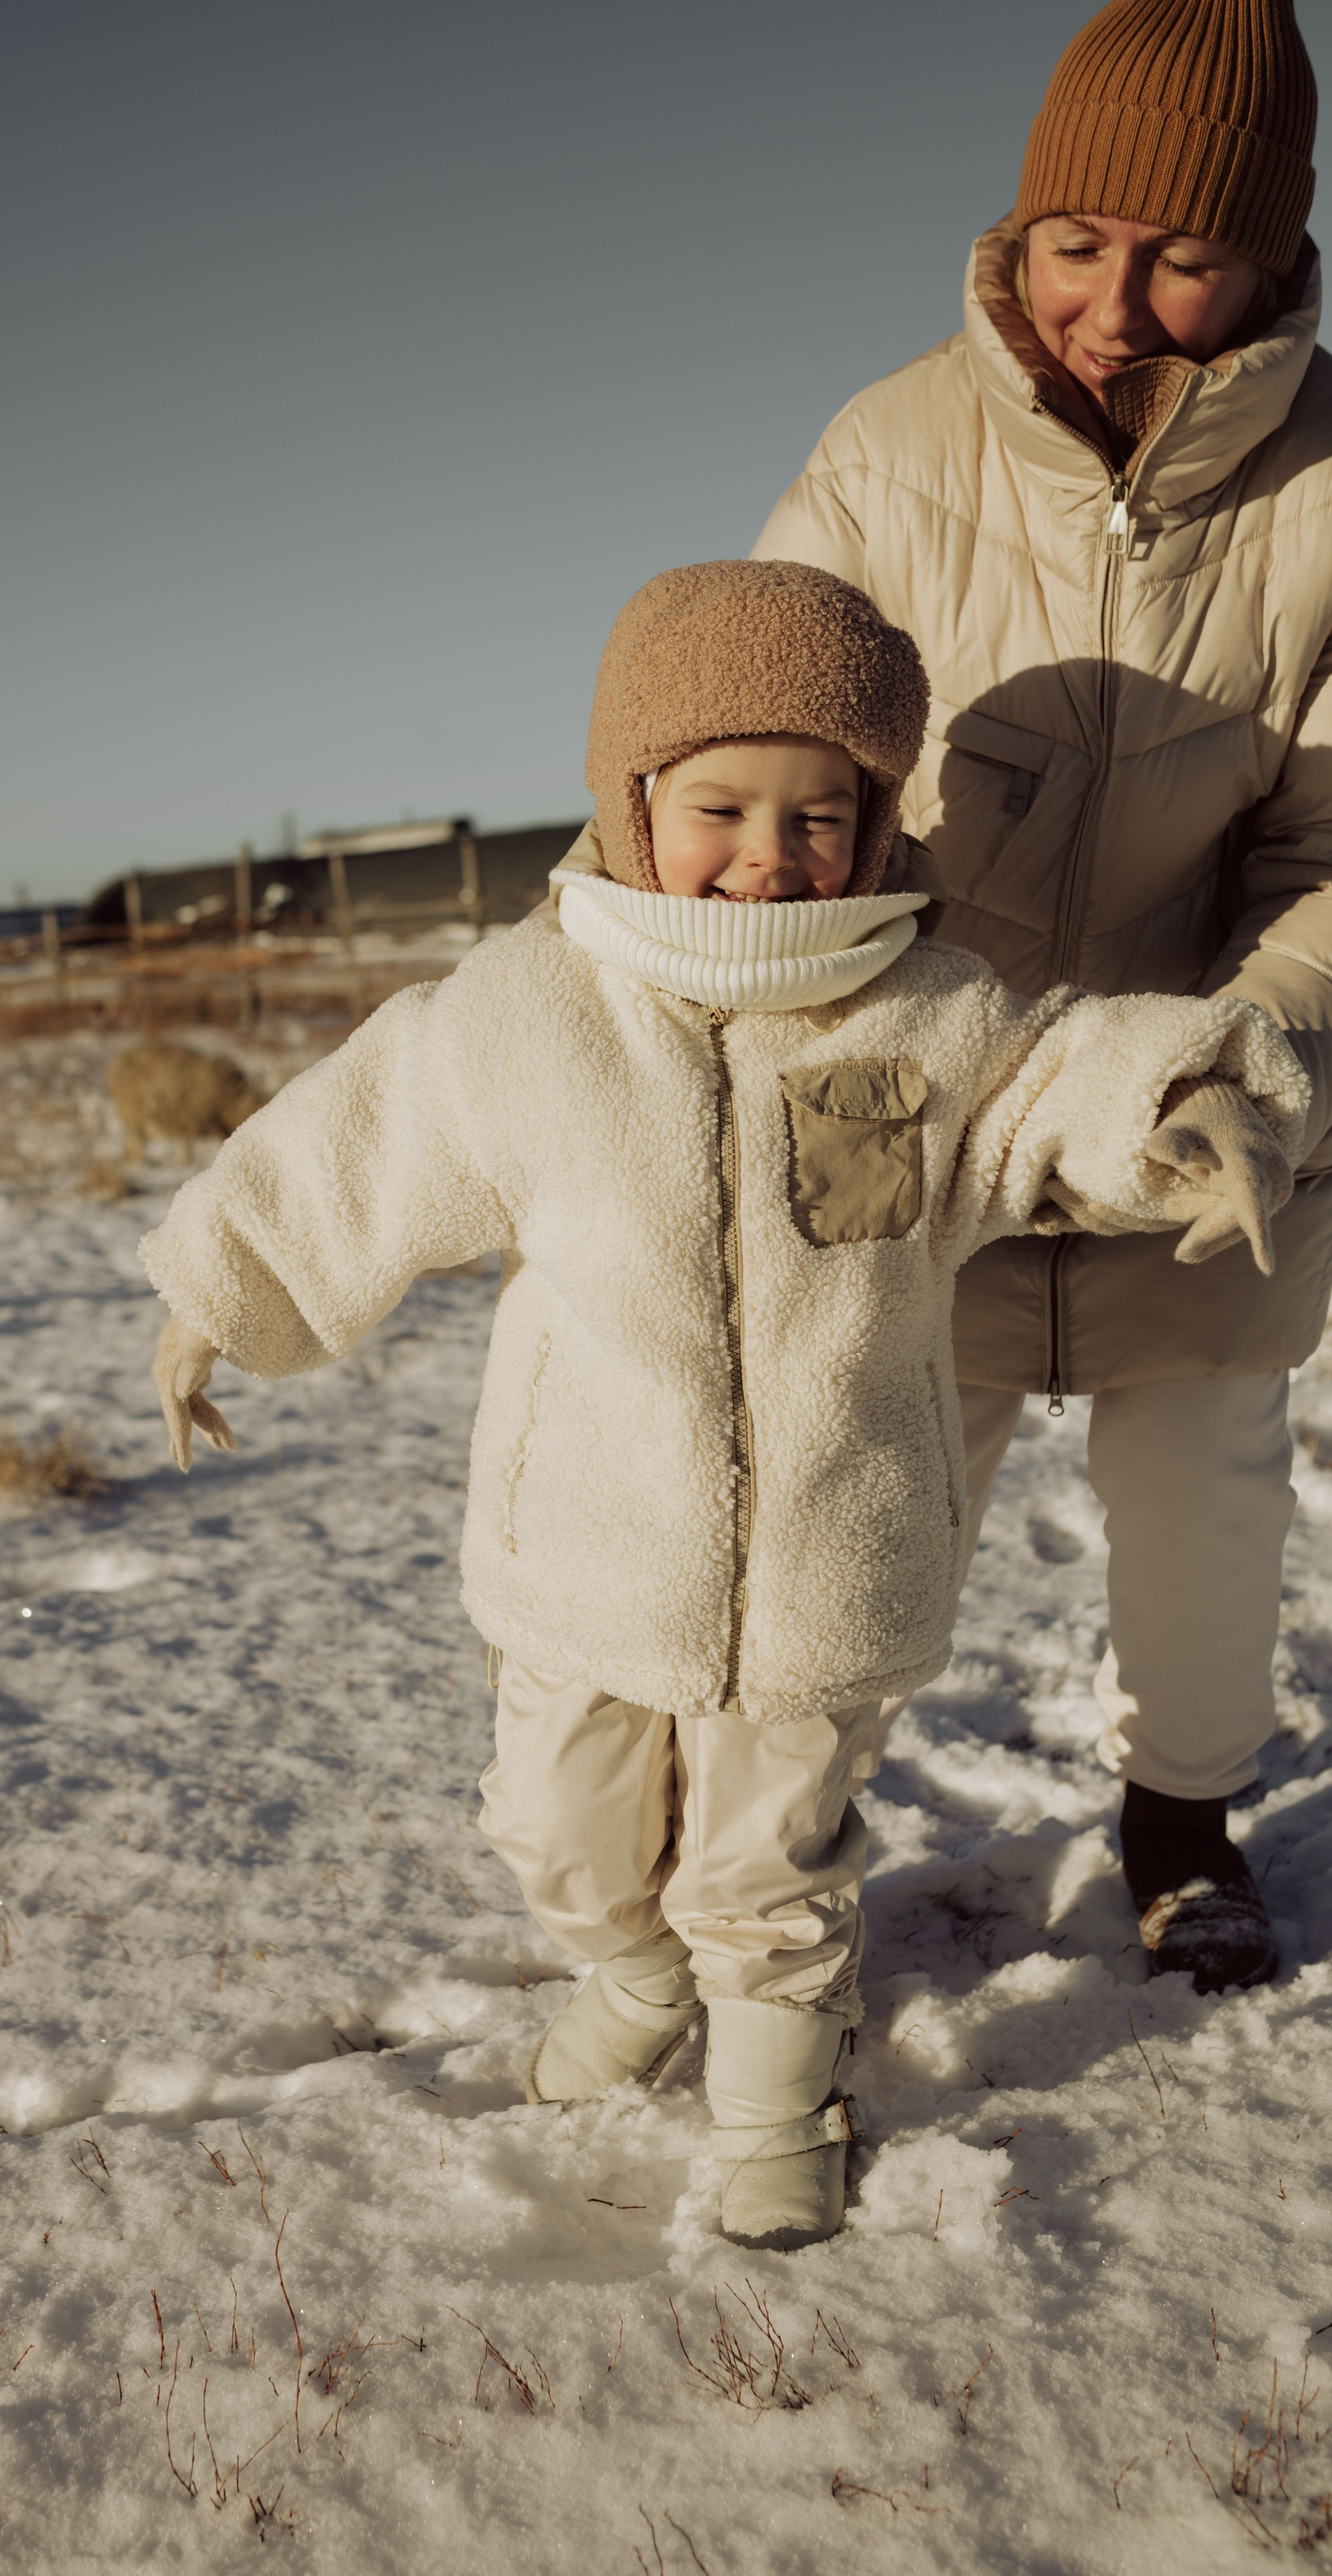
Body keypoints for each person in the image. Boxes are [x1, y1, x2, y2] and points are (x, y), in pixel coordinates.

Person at [140, 559, 1304, 2249]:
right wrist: (213, 1298)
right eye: (720, 808)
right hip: (589, 1553)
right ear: (630, 803)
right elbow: (355, 1149)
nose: (770, 856)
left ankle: (777, 2095)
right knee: (561, 1834)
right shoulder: (525, 1014)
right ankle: (626, 1980)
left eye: (819, 815)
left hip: (835, 1548)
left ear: (878, 819)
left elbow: (1066, 1072)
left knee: (764, 1868)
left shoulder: (929, 1007)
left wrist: (1188, 1102)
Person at [730, 0, 1332, 1994]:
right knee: (847, 1528)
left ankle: (1183, 1815)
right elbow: (768, 748)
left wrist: (1245, 1060)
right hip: (915, 1108)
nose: (1119, 302)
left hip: (1206, 1117)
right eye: (1079, 240)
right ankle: (763, 1882)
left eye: (1184, 256)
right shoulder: (885, 449)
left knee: (1205, 1513)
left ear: (1274, 256)